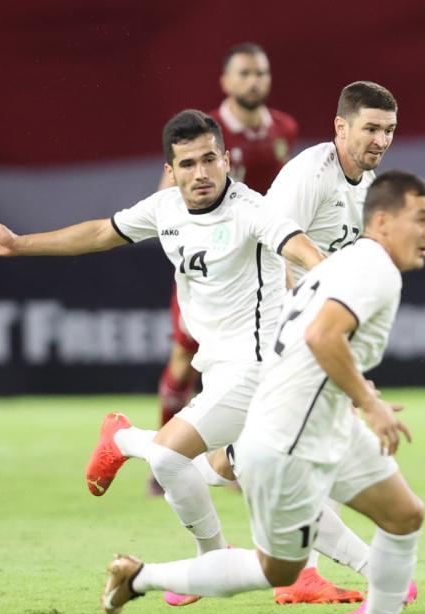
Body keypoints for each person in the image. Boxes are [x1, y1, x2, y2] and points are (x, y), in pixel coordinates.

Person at [0, 108, 328, 596]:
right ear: (171, 171)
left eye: (209, 160)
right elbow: (98, 234)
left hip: (257, 370)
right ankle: (230, 561)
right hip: (219, 370)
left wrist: (343, 282)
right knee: (230, 465)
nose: (200, 173)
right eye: (187, 164)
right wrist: (19, 243)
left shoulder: (251, 210)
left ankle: (201, 546)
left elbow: (304, 250)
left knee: (181, 459)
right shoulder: (165, 210)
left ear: (226, 159)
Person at [100, 170, 425, 614]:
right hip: (289, 438)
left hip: (324, 423)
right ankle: (140, 578)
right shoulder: (373, 269)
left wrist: (354, 388)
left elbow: (312, 339)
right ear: (385, 220)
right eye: (423, 219)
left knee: (405, 514)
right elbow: (321, 336)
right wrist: (369, 403)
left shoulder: (351, 262)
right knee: (277, 570)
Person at [191, 80, 409, 613]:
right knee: (304, 451)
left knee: (266, 456)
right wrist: (305, 338)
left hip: (298, 328)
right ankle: (341, 571)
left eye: (388, 130)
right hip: (263, 324)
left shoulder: (366, 182)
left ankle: (141, 448)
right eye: (370, 128)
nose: (380, 140)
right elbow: (267, 245)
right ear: (340, 126)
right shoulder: (311, 175)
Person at [154, 43, 299, 495]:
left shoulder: (284, 129)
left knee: (262, 361)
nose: (254, 81)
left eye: (261, 72)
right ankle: (163, 451)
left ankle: (234, 458)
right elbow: (167, 198)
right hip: (209, 263)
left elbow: (284, 197)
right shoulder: (206, 137)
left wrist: (287, 258)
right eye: (245, 73)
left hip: (260, 262)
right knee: (186, 358)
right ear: (226, 82)